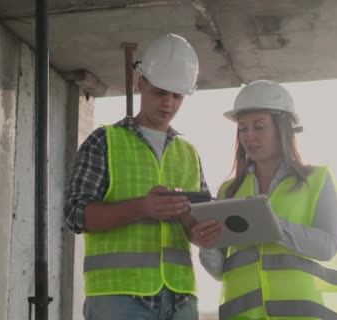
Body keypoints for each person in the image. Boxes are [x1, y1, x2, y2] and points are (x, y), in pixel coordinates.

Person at [64, 33, 223, 320]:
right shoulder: (104, 141)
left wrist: (197, 230)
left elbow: (195, 222)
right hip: (119, 298)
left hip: (181, 297)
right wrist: (142, 207)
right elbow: (75, 214)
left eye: (177, 96)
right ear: (141, 84)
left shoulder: (189, 153)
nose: (169, 104)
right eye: (161, 93)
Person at [199, 80, 337, 320]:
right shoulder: (229, 191)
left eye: (259, 127)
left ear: (283, 129)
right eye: (243, 128)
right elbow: (221, 270)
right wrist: (205, 245)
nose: (249, 137)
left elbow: (328, 246)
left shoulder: (318, 179)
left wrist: (272, 225)